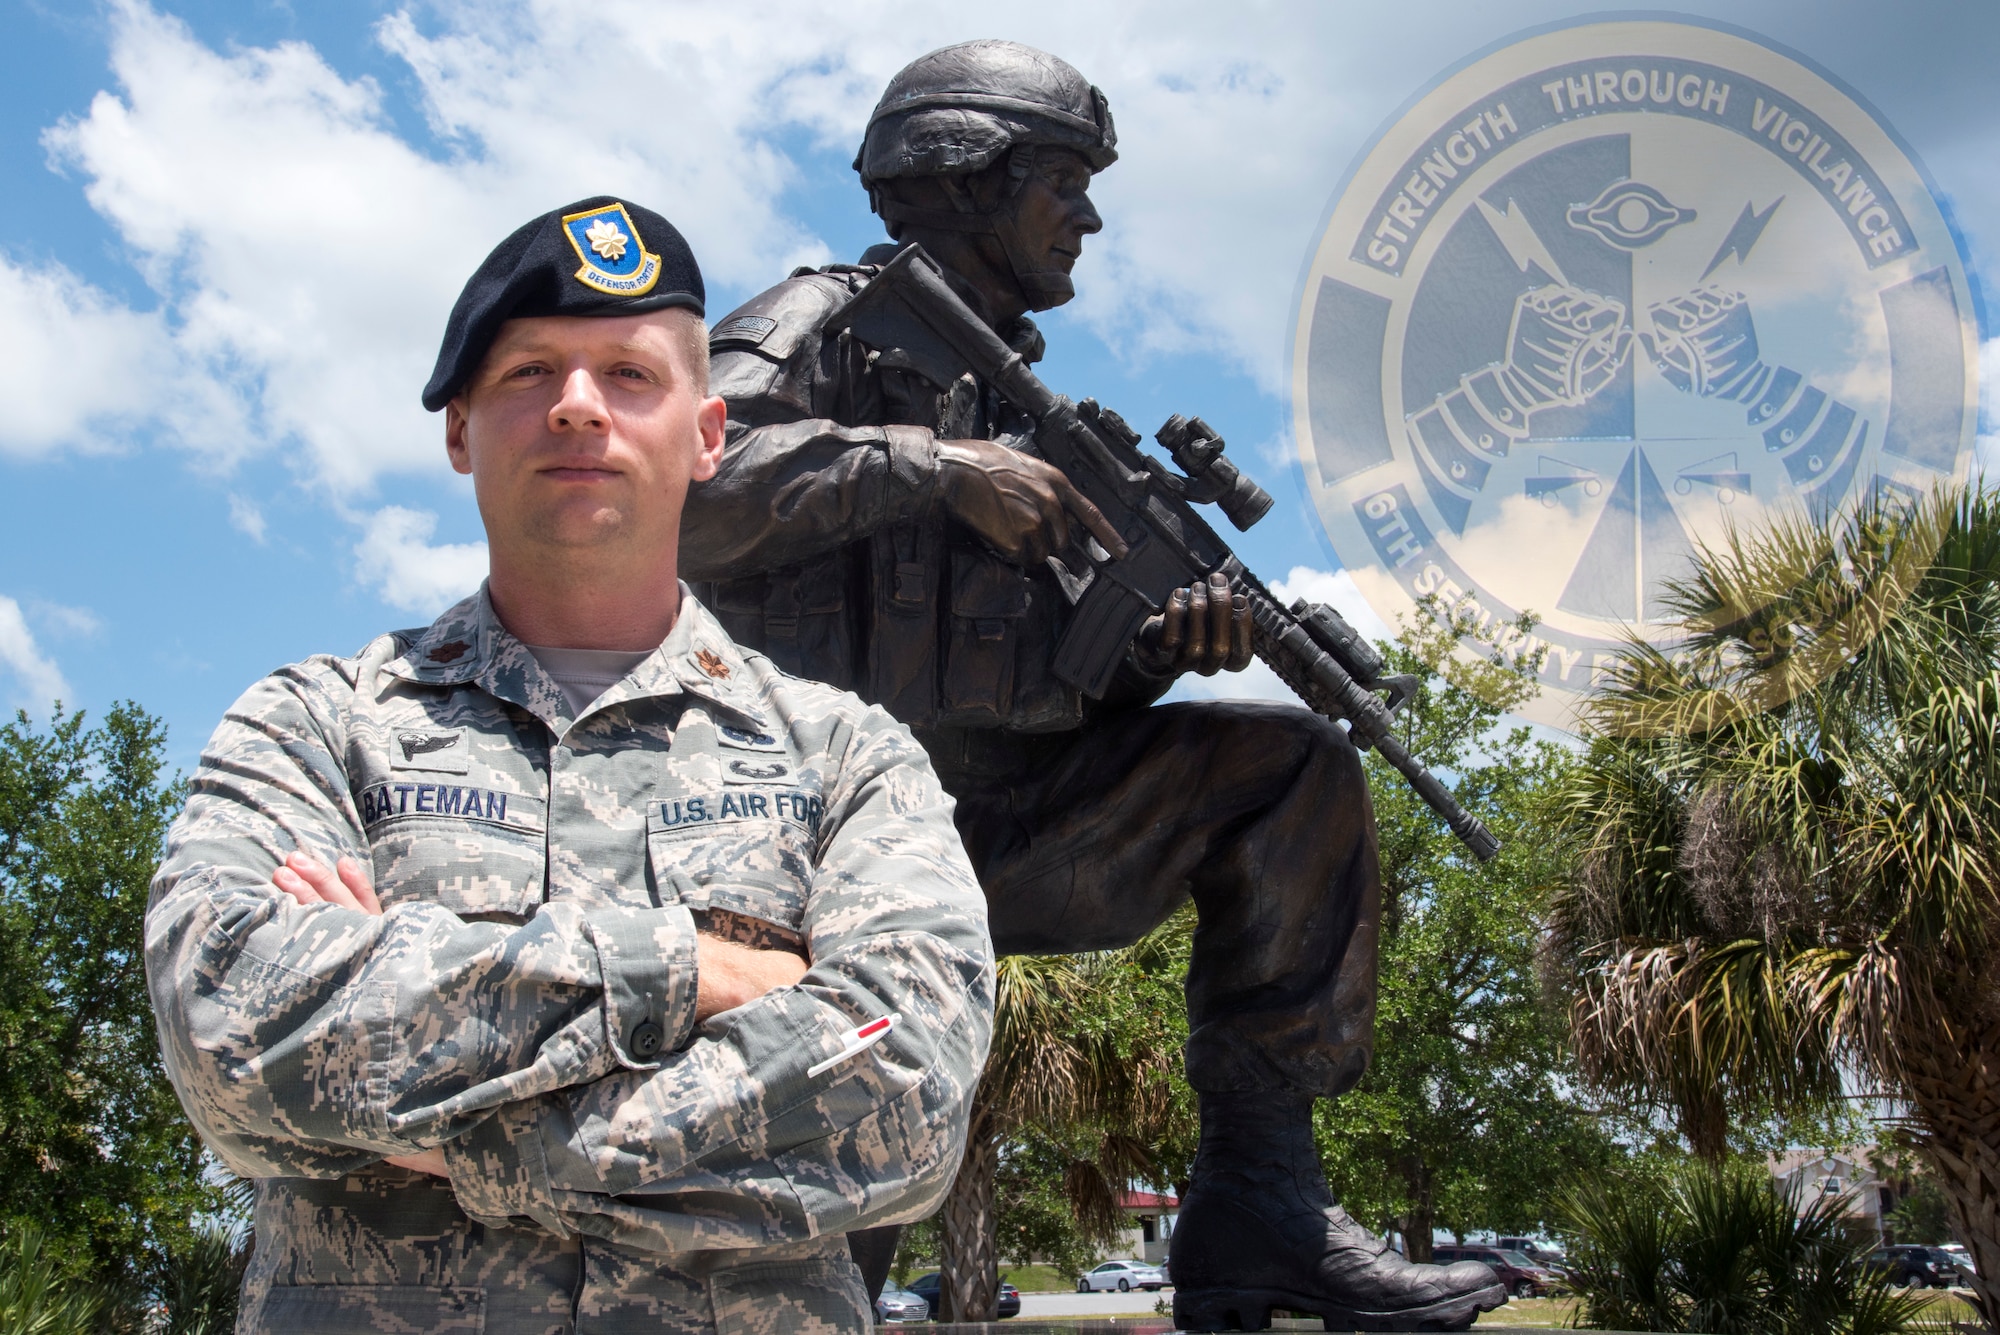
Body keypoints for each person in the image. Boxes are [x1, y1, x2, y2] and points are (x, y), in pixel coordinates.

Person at [682, 42, 1507, 1332]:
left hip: (1002, 825)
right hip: (811, 852)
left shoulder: (1034, 416)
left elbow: (1052, 686)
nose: (1090, 216)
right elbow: (678, 493)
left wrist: (1159, 648)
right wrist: (932, 468)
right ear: (959, 177)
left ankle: (1258, 1209)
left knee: (1291, 771)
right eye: (1061, 180)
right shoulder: (818, 325)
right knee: (818, 1251)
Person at [144, 196, 994, 1335]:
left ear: (707, 436)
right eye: (529, 372)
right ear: (459, 432)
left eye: (629, 375)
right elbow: (233, 1038)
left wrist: (435, 1122)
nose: (578, 407)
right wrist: (693, 973)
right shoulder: (316, 729)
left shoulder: (846, 757)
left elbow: (906, 1090)